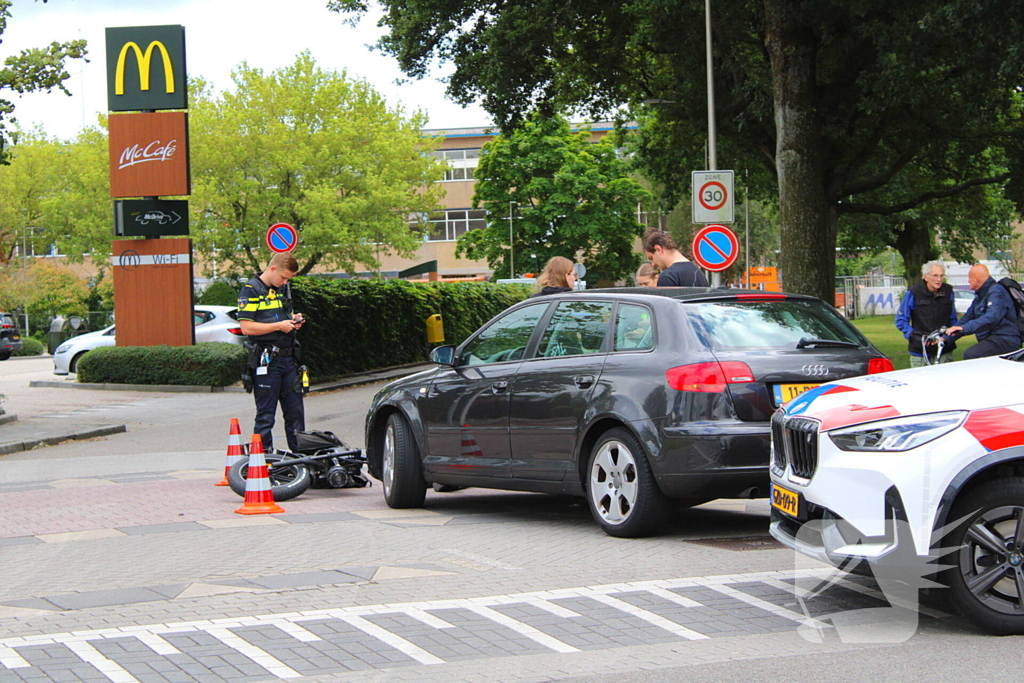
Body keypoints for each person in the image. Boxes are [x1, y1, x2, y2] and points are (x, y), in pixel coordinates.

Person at [237, 253, 307, 452]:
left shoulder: (280, 289)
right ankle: (263, 460)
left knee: (295, 414)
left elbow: (281, 314)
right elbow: (247, 328)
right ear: (272, 268)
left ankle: (300, 459)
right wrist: (279, 326)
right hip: (266, 361)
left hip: (288, 359)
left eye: (288, 279)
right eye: (283, 277)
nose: (285, 282)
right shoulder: (251, 291)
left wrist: (294, 319)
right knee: (266, 415)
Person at [945, 263, 1022, 360]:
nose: (968, 281)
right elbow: (967, 318)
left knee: (972, 354)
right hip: (992, 339)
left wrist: (964, 328)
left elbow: (991, 318)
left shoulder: (996, 292)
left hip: (1005, 338)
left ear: (976, 279)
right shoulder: (980, 295)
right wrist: (946, 338)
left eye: (969, 278)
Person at [894, 261, 958, 366]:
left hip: (944, 349)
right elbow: (901, 320)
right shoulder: (914, 292)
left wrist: (947, 338)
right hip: (920, 351)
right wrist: (914, 336)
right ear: (926, 277)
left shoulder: (948, 291)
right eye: (935, 276)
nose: (939, 279)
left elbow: (953, 320)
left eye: (941, 276)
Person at [642, 229, 709, 287]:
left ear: (659, 249)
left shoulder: (668, 277)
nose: (653, 264)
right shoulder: (698, 273)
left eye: (651, 258)